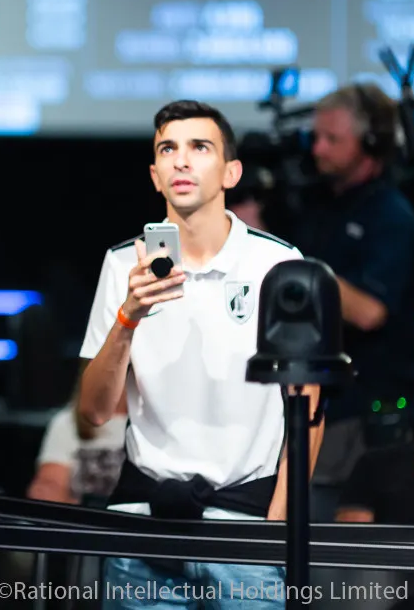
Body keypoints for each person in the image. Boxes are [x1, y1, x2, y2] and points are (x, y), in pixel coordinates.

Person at [78, 100, 323, 610]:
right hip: (144, 525)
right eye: (168, 149)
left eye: (200, 147)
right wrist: (128, 316)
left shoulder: (278, 262)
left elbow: (308, 406)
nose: (182, 160)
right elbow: (94, 412)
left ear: (232, 172)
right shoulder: (123, 264)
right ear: (155, 175)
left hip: (246, 527)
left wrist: (280, 521)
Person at [291, 82, 414, 521]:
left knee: (334, 539)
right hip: (317, 402)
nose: (318, 149)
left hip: (361, 414)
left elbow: (370, 311)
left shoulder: (391, 216)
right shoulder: (320, 206)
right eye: (315, 137)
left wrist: (297, 268)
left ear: (370, 144)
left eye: (332, 139)